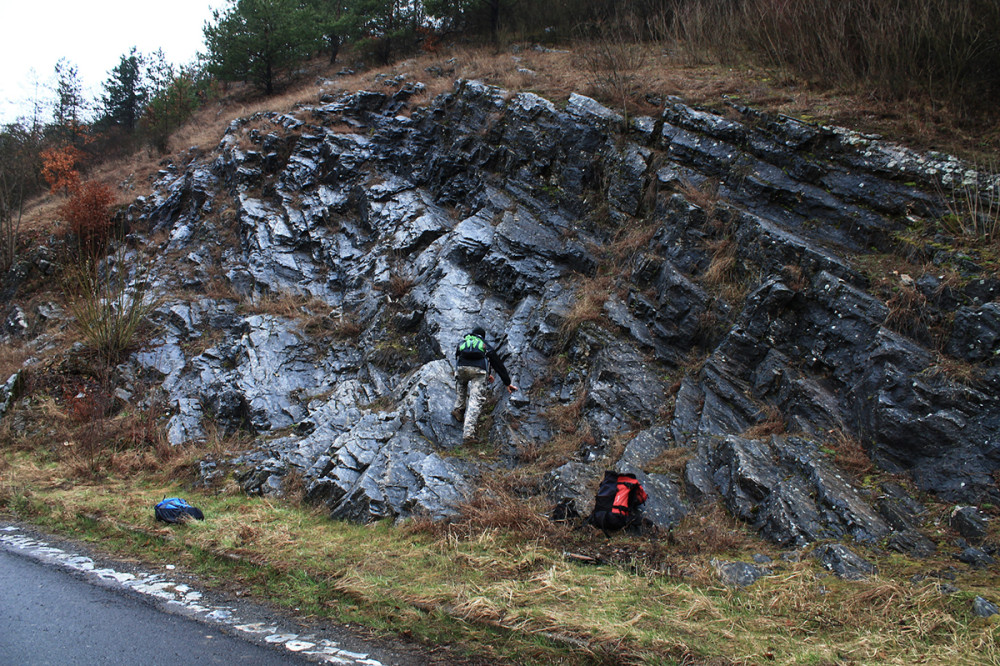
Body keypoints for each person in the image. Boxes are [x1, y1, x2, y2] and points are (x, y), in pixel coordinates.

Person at [452, 326, 517, 443]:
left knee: (461, 383)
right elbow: (497, 363)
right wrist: (507, 382)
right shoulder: (484, 344)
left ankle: (459, 409)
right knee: (475, 400)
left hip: (461, 368)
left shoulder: (463, 342)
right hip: (479, 372)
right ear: (482, 336)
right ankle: (468, 433)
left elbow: (457, 356)